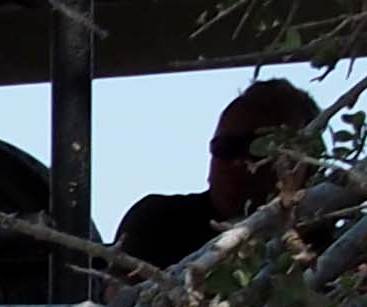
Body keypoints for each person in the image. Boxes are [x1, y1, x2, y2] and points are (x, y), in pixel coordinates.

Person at [116, 76, 321, 269]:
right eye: (225, 147)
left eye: (260, 151)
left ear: (308, 165)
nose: (237, 163)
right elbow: (121, 298)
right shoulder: (158, 222)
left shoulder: (334, 240)